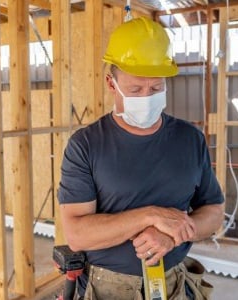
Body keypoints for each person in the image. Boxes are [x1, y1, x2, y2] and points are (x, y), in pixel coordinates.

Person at [57, 16, 225, 300]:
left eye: (156, 89)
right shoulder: (86, 145)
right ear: (112, 83)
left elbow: (214, 212)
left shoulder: (190, 139)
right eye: (135, 90)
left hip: (174, 284)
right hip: (106, 288)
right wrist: (151, 215)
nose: (147, 97)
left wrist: (173, 234)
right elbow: (77, 233)